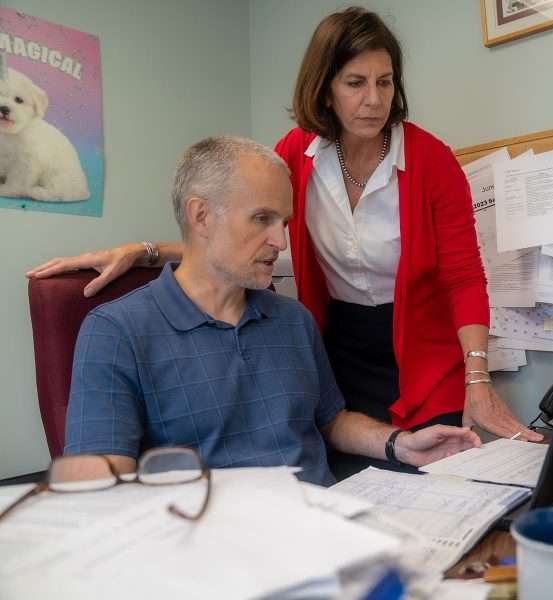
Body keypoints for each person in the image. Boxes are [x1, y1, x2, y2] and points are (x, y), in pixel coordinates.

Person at [28, 7, 541, 479]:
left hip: (421, 352)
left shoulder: (428, 163)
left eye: (385, 82)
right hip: (338, 342)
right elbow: (239, 227)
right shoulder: (293, 156)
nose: (374, 99)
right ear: (326, 88)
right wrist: (149, 251)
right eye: (356, 82)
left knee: (423, 479)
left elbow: (462, 276)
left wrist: (471, 385)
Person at [62, 136, 480, 484]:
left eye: (284, 222)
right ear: (201, 216)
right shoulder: (117, 332)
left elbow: (331, 422)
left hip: (329, 526)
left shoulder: (292, 320)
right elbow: (100, 485)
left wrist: (401, 444)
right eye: (261, 219)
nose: (281, 242)